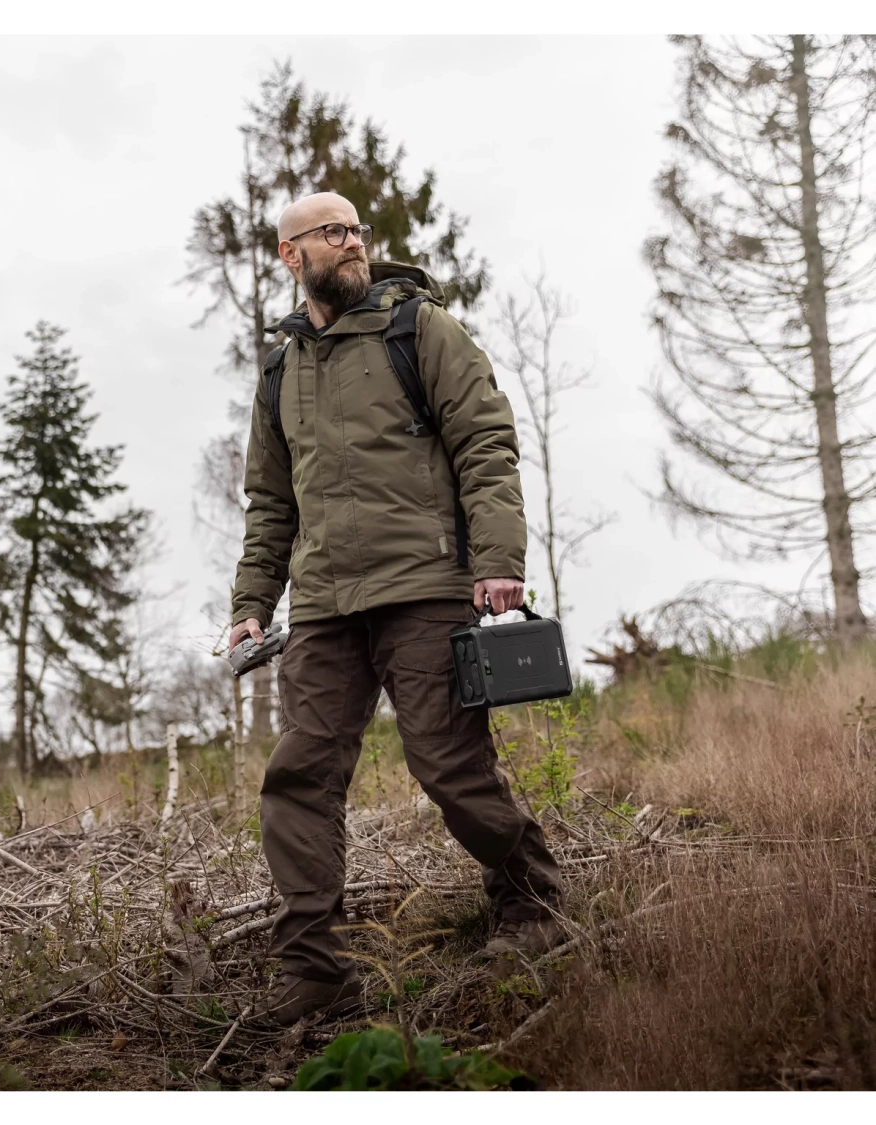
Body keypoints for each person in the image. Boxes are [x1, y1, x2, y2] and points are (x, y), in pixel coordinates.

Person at [231, 191, 564, 1028]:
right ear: (290, 255)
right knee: (298, 778)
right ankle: (316, 972)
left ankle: (532, 903)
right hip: (324, 606)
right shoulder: (280, 371)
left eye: (355, 230)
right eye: (331, 233)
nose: (352, 242)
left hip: (425, 588)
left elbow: (484, 442)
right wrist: (252, 602)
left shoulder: (422, 330)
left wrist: (498, 561)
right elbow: (271, 501)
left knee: (449, 767)